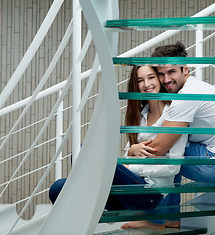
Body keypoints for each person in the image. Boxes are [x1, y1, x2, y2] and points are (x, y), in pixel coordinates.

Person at [123, 41, 215, 229]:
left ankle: (158, 218)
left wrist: (130, 158)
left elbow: (158, 148)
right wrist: (134, 148)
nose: (166, 79)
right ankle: (168, 216)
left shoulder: (187, 96)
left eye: (171, 72)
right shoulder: (191, 90)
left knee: (170, 152)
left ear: (185, 69)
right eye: (161, 73)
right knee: (173, 147)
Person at [48, 65, 188, 229]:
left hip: (149, 194)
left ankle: (91, 200)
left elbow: (173, 168)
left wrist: (131, 166)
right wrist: (131, 150)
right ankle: (88, 205)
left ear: (159, 79)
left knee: (87, 155)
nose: (146, 84)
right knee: (58, 188)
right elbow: (127, 157)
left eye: (151, 77)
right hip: (126, 190)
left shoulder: (175, 114)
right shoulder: (140, 115)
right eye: (140, 80)